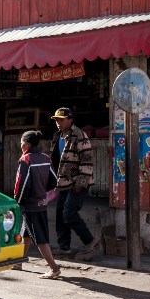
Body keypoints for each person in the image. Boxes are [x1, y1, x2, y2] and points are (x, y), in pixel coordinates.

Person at [49, 107, 100, 256]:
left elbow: (87, 161)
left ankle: (90, 240)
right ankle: (64, 247)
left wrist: (81, 182)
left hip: (78, 183)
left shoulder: (79, 136)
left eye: (61, 120)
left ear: (70, 120)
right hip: (62, 182)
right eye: (57, 120)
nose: (58, 123)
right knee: (60, 214)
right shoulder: (57, 136)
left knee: (69, 213)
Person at [13, 130, 61, 279]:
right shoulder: (45, 158)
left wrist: (17, 201)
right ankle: (19, 261)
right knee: (26, 232)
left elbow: (22, 184)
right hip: (41, 202)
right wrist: (41, 192)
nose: (20, 145)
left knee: (40, 238)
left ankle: (54, 268)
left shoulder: (26, 160)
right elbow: (54, 181)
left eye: (21, 142)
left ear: (26, 144)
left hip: (30, 204)